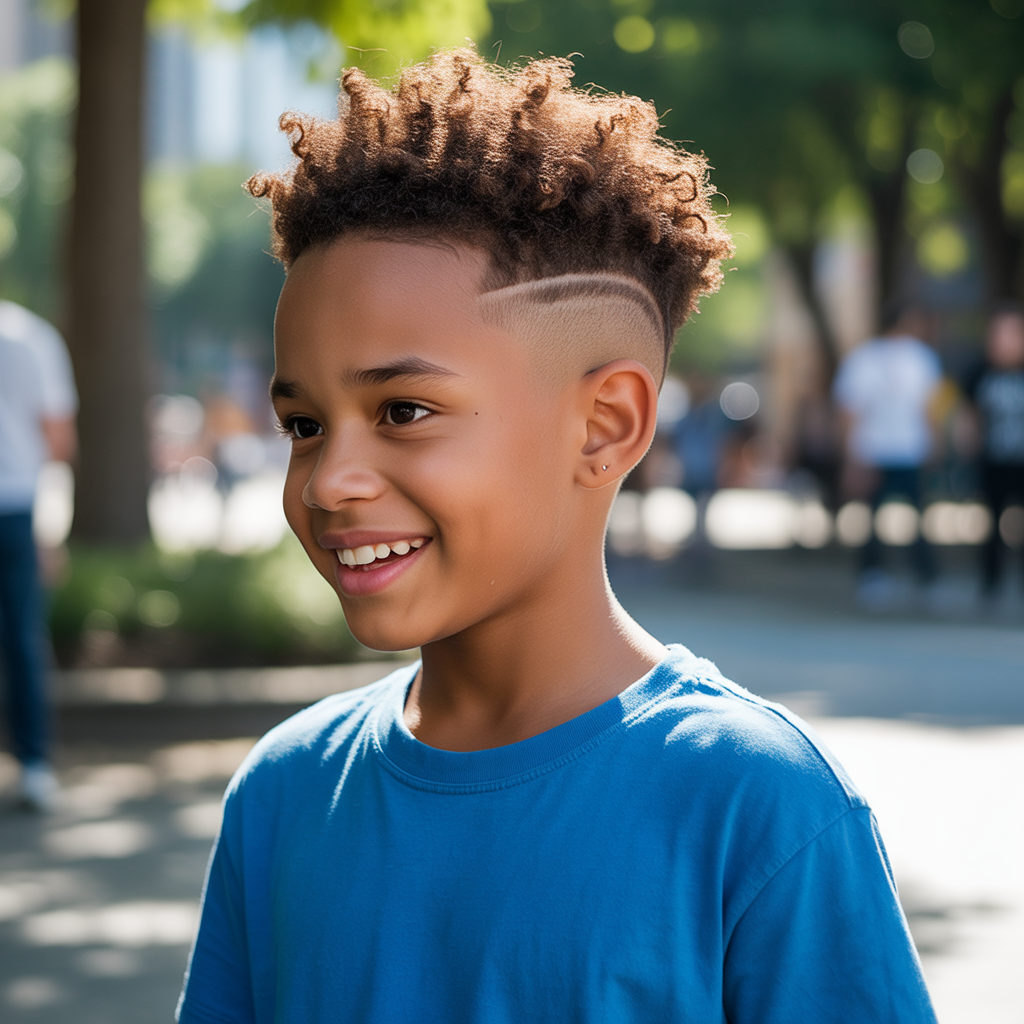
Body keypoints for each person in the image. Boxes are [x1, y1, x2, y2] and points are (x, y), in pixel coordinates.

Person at [178, 51, 935, 1023]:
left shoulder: (757, 807)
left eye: (405, 409)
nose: (330, 481)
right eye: (304, 424)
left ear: (604, 424)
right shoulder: (280, 797)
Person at [0, 298, 78, 811]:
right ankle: (33, 766)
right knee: (22, 639)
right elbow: (58, 441)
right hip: (15, 507)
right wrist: (51, 530)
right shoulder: (29, 336)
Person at [833, 303, 942, 605]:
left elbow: (849, 411)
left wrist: (851, 453)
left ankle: (890, 575)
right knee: (899, 515)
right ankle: (912, 576)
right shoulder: (916, 358)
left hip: (888, 449)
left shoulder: (872, 358)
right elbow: (929, 410)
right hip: (889, 449)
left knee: (889, 516)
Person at [967, 302, 1024, 596]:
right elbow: (970, 414)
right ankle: (992, 583)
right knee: (992, 524)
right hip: (993, 460)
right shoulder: (980, 372)